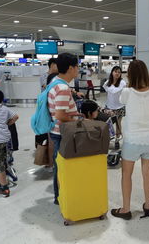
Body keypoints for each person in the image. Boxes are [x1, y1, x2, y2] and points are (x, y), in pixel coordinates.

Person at [111, 60, 149, 220]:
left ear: (130, 75)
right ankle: (148, 206)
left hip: (132, 140)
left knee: (126, 174)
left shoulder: (127, 92)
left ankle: (126, 209)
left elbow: (120, 102)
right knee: (147, 174)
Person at [48, 53, 81, 205]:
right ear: (70, 68)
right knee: (61, 167)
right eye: (77, 66)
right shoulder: (62, 88)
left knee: (59, 165)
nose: (78, 69)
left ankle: (60, 196)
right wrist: (78, 121)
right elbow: (60, 115)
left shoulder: (55, 82)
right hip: (62, 133)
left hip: (57, 132)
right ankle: (60, 198)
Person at [103, 66, 126, 139]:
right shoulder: (108, 81)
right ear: (112, 72)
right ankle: (108, 139)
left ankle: (117, 140)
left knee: (118, 124)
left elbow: (114, 91)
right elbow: (105, 88)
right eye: (116, 71)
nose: (117, 73)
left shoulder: (122, 82)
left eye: (119, 72)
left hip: (119, 106)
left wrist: (109, 87)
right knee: (108, 124)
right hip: (109, 106)